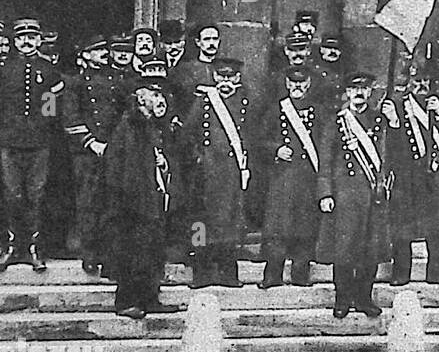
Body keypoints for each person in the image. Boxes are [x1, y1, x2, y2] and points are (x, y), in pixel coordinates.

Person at [315, 72, 399, 319]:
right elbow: (326, 161)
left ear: (371, 91)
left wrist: (394, 123)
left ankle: (364, 297)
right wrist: (325, 193)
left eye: (364, 88)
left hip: (373, 194)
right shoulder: (336, 122)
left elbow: (391, 153)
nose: (358, 93)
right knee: (344, 250)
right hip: (345, 196)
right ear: (347, 92)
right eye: (353, 89)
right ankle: (342, 298)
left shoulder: (379, 120)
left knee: (370, 251)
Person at [101, 83, 182, 320]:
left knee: (152, 252)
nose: (161, 101)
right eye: (155, 95)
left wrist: (163, 166)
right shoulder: (128, 127)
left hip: (152, 200)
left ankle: (149, 299)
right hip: (132, 205)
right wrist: (129, 202)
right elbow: (117, 169)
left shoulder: (152, 127)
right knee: (132, 253)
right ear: (140, 99)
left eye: (162, 95)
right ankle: (126, 301)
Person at [179, 57, 251, 288]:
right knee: (200, 222)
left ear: (238, 78)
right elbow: (186, 134)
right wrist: (197, 157)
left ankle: (228, 272)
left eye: (231, 76)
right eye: (221, 76)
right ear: (214, 77)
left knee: (229, 222)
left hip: (231, 172)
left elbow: (252, 136)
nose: (226, 81)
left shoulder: (246, 102)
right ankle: (201, 272)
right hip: (205, 173)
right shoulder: (204, 102)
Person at [0, 18, 64, 271]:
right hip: (9, 141)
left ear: (39, 40)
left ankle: (35, 248)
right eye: (21, 38)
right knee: (12, 194)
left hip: (38, 142)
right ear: (15, 42)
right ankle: (14, 247)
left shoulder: (48, 70)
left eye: (31, 37)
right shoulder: (4, 70)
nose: (26, 41)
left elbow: (51, 108)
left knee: (36, 194)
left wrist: (40, 129)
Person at [388, 67, 439, 286]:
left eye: (426, 81)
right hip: (408, 172)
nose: (421, 85)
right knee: (403, 224)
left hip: (436, 171)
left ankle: (436, 269)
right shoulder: (397, 106)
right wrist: (394, 122)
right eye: (417, 81)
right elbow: (389, 145)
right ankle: (401, 271)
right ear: (408, 83)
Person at [258, 67, 321, 288]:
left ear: (309, 83)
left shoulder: (318, 111)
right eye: (292, 82)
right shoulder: (276, 110)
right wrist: (276, 149)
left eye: (301, 82)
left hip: (307, 177)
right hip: (282, 176)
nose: (297, 86)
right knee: (278, 226)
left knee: (304, 226)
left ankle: (300, 274)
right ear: (286, 83)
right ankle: (272, 275)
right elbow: (259, 140)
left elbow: (324, 143)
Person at [61, 35, 118, 275]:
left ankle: (109, 253)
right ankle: (90, 254)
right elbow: (70, 119)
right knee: (88, 203)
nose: (103, 54)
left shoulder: (114, 80)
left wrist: (116, 144)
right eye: (97, 51)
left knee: (110, 202)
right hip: (86, 153)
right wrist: (92, 143)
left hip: (112, 150)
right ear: (85, 55)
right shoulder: (74, 83)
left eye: (104, 50)